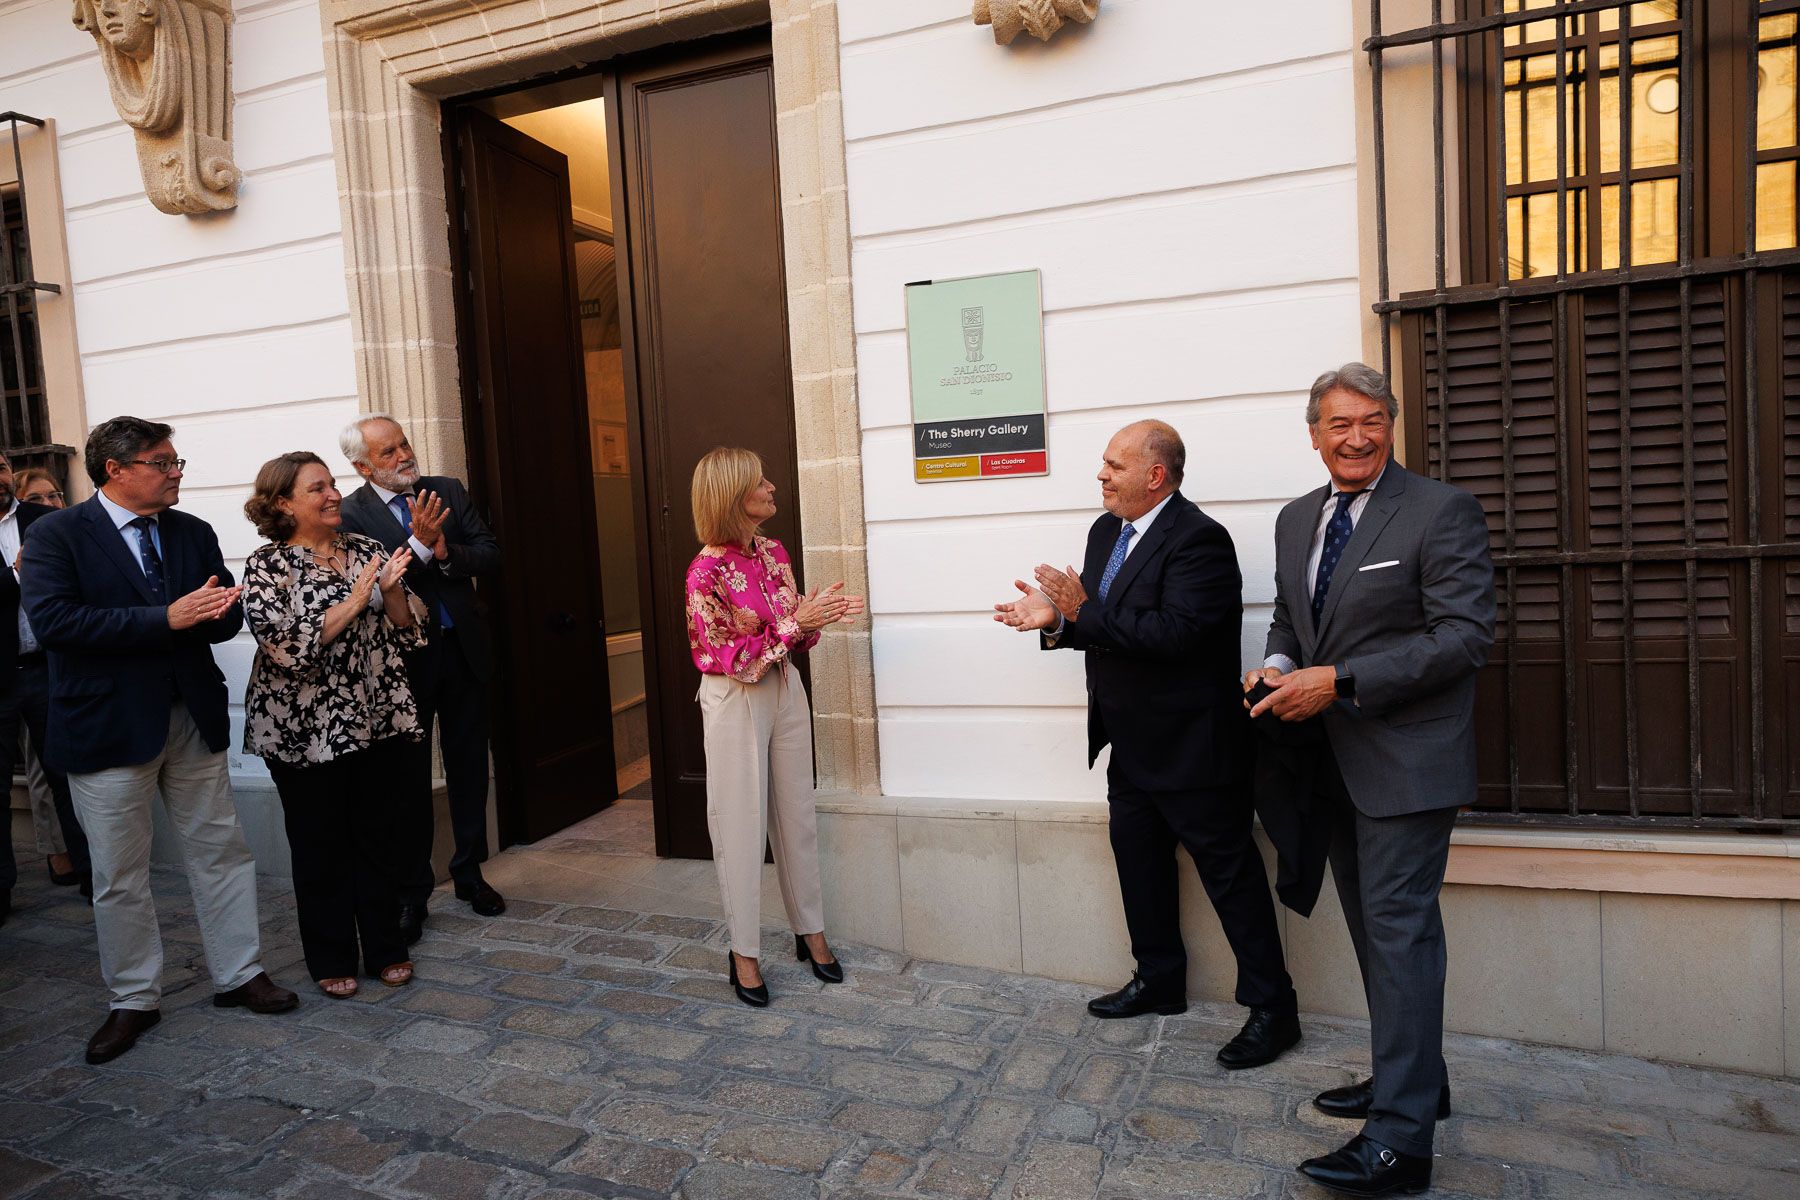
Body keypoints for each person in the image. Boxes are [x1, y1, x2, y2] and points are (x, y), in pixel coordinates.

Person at [1247, 363, 1494, 1197]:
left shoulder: (1441, 510)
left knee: (1398, 937)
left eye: (1372, 421)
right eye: (1339, 424)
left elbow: (1464, 637)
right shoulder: (1295, 518)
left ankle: (1399, 1146)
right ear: (1314, 434)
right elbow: (1292, 617)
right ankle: (1414, 1084)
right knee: (1375, 935)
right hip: (1329, 764)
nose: (1357, 438)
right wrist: (1279, 666)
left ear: (1391, 424)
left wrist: (1341, 680)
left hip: (1408, 764)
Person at [993, 420, 1301, 1071]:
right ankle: (1159, 980)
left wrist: (1080, 612)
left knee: (1231, 880)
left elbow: (1175, 635)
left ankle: (1274, 1009)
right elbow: (1103, 628)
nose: (1101, 475)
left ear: (1155, 475)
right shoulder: (1106, 531)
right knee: (1140, 865)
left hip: (1194, 749)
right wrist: (1056, 622)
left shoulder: (1200, 540)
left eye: (1114, 465)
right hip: (1128, 742)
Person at [21, 417, 298, 1064]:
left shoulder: (191, 531)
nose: (176, 472)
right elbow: (56, 623)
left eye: (176, 462)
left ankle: (240, 973)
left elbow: (219, 618)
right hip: (107, 724)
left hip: (190, 715)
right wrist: (163, 618)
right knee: (119, 872)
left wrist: (221, 611)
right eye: (161, 462)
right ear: (115, 469)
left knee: (221, 851)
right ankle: (134, 998)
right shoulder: (57, 534)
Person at [241, 452, 425, 998]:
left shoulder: (366, 549)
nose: (333, 495)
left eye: (332, 484)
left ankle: (386, 947)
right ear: (282, 503)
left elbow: (409, 630)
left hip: (375, 717)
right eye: (317, 488)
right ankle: (330, 956)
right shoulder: (266, 565)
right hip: (302, 729)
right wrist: (356, 598)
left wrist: (391, 591)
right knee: (319, 844)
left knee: (378, 837)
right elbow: (286, 648)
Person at [685, 448, 861, 1006]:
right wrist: (794, 623)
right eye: (759, 482)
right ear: (734, 495)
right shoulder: (705, 572)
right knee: (739, 824)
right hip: (736, 694)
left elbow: (790, 635)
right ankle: (743, 953)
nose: (771, 487)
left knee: (796, 814)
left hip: (785, 686)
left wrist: (813, 619)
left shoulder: (773, 551)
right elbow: (732, 657)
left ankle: (810, 932)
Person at [336, 414, 504, 943]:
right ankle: (412, 892)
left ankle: (470, 873)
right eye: (388, 452)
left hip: (463, 653)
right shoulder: (349, 515)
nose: (404, 455)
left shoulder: (446, 490)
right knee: (406, 782)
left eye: (404, 444)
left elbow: (490, 554)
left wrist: (446, 550)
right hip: (402, 665)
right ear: (363, 466)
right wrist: (424, 544)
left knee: (469, 767)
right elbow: (372, 583)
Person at [0, 457, 91, 917]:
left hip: (47, 668)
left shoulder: (46, 521)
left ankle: (92, 877)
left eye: (0, 466)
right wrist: (17, 574)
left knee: (68, 777)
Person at [13, 468, 78, 889]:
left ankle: (76, 856)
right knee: (39, 769)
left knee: (57, 763)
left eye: (54, 495)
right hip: (15, 667)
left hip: (51, 661)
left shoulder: (60, 533)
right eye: (37, 498)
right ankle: (57, 853)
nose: (50, 504)